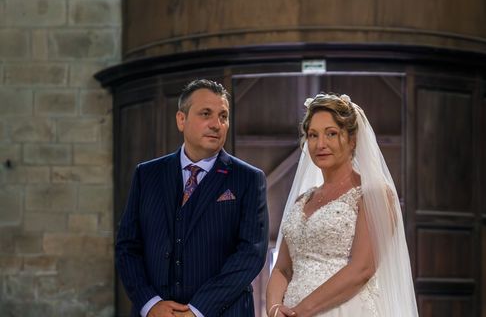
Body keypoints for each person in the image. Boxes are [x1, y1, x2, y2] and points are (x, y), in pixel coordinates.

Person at [116, 79, 269, 317]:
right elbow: (127, 247)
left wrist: (198, 310)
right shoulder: (147, 175)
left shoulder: (248, 179)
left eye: (223, 116)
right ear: (181, 119)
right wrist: (150, 303)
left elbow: (251, 253)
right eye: (206, 114)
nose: (217, 124)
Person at [265, 93, 418, 317]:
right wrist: (274, 308)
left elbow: (362, 269)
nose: (320, 144)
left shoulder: (373, 194)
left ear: (352, 139)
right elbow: (282, 268)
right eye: (313, 135)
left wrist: (300, 311)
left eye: (332, 134)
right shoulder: (302, 201)